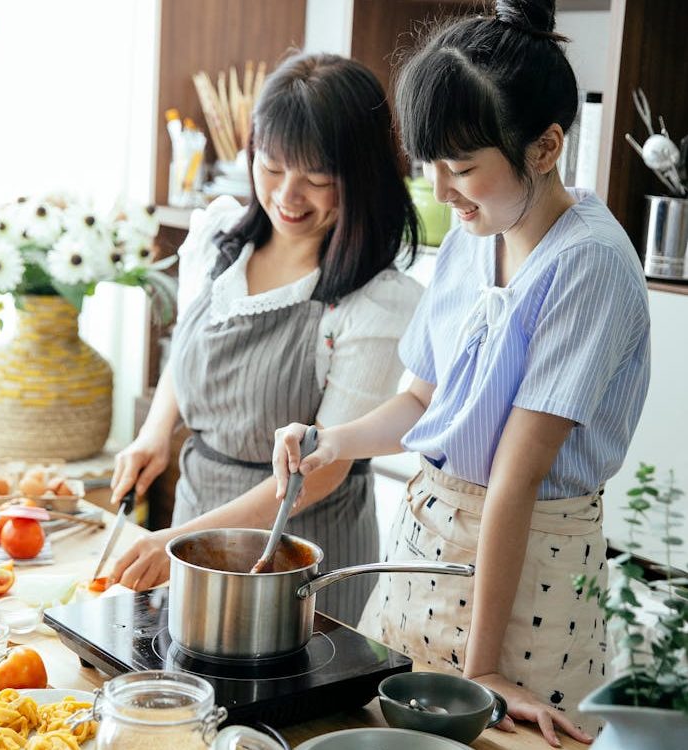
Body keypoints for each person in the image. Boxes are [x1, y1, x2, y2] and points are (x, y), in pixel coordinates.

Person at [273, 2, 650, 746]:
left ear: (545, 147)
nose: (441, 191)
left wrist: (484, 671)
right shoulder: (477, 236)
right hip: (423, 551)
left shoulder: (589, 263)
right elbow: (423, 398)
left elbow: (516, 477)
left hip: (528, 577)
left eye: (462, 167)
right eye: (430, 166)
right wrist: (330, 439)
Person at [108, 52, 422, 626]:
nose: (287, 196)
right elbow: (188, 348)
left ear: (360, 174)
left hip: (300, 551)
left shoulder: (373, 302)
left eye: (317, 178)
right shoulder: (220, 237)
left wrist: (177, 541)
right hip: (200, 508)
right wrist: (155, 434)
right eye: (272, 168)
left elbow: (323, 468)